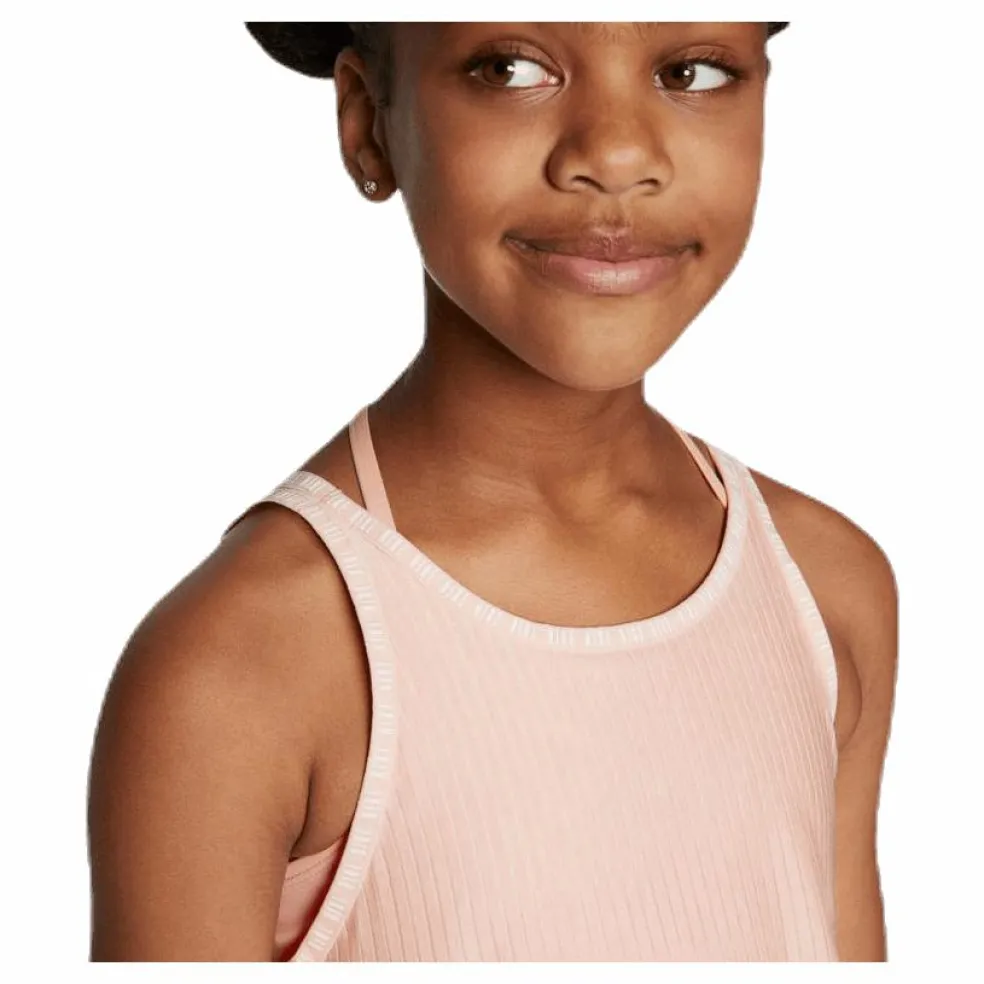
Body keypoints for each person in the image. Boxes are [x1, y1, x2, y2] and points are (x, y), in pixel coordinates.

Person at [87, 22, 899, 962]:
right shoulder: (243, 667)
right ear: (368, 123)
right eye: (509, 69)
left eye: (693, 70)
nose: (617, 154)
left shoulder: (826, 592)